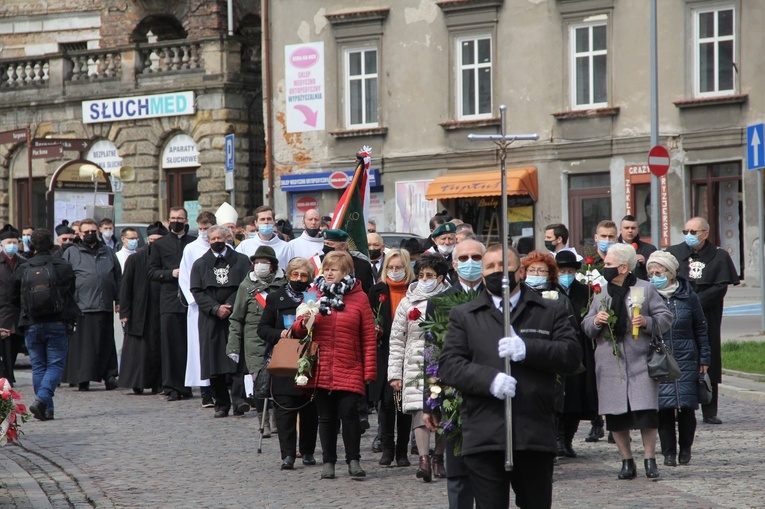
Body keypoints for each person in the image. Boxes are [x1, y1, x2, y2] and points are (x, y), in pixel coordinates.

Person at [438, 244, 582, 509]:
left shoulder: (549, 311)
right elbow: (449, 365)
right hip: (485, 432)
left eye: (504, 265)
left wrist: (529, 349)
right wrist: (488, 380)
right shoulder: (465, 316)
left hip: (533, 431)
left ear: (520, 271)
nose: (497, 271)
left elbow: (572, 355)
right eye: (490, 266)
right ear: (482, 274)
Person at [582, 243, 672, 480]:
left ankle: (650, 459)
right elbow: (586, 324)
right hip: (610, 364)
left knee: (646, 414)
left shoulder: (645, 289)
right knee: (616, 417)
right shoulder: (600, 291)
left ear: (623, 267)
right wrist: (596, 321)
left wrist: (647, 322)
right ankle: (626, 461)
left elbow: (665, 318)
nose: (605, 268)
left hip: (641, 361)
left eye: (609, 264)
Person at [291, 251, 376, 480]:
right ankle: (329, 462)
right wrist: (307, 319)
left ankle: (354, 460)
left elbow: (368, 336)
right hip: (320, 365)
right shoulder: (313, 293)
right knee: (326, 417)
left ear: (346, 272)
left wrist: (369, 370)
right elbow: (297, 331)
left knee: (349, 414)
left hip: (349, 365)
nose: (328, 273)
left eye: (334, 269)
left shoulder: (359, 298)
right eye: (326, 268)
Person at [424, 240, 485, 508]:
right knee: (458, 468)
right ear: (454, 263)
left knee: (489, 470)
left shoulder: (497, 297)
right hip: (453, 393)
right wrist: (431, 398)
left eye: (476, 257)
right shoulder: (439, 301)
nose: (470, 262)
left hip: (490, 391)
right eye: (464, 258)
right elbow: (431, 353)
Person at [666, 216, 739, 425]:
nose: (688, 235)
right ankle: (677, 404)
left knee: (709, 357)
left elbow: (720, 287)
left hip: (707, 314)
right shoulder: (673, 253)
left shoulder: (719, 256)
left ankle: (710, 409)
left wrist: (695, 303)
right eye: (686, 231)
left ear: (705, 234)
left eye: (693, 232)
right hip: (678, 313)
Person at [388, 254, 451, 483]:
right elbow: (397, 339)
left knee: (443, 410)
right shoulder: (408, 301)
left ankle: (439, 457)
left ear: (441, 277)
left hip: (441, 361)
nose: (425, 279)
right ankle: (423, 459)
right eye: (422, 275)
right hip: (414, 363)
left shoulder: (450, 299)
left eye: (430, 275)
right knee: (418, 410)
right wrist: (395, 373)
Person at [646, 251, 711, 467]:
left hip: (686, 357)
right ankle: (668, 453)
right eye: (651, 272)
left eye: (659, 272)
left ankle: (685, 449)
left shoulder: (688, 295)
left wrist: (704, 357)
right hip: (659, 357)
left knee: (686, 406)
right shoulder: (647, 295)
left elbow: (700, 328)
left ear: (671, 273)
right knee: (663, 407)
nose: (655, 276)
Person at [256, 257, 320, 469]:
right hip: (285, 356)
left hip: (310, 357)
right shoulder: (276, 298)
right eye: (295, 274)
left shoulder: (316, 298)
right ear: (288, 275)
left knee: (309, 408)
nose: (299, 278)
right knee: (285, 408)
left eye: (304, 275)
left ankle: (308, 451)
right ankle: (288, 455)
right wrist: (279, 333)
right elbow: (262, 328)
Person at [14, 228, 79, 420]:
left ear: (31, 245)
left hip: (31, 322)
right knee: (55, 365)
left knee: (39, 366)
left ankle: (45, 408)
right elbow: (71, 291)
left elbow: (13, 296)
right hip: (57, 321)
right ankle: (42, 401)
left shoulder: (23, 268)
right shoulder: (63, 266)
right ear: (52, 244)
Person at [190, 225, 250, 418]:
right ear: (208, 241)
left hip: (235, 315)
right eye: (213, 239)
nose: (217, 241)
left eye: (220, 238)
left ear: (227, 238)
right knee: (214, 361)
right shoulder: (200, 264)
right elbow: (197, 290)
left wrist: (230, 305)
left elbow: (245, 286)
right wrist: (216, 308)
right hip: (211, 319)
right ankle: (221, 404)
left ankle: (239, 400)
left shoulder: (241, 261)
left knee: (237, 358)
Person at [226, 245, 285, 427]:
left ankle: (276, 418)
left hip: (278, 339)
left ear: (273, 265)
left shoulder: (283, 284)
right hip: (254, 341)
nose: (260, 265)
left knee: (278, 380)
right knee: (260, 381)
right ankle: (263, 420)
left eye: (265, 262)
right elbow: (236, 318)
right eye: (257, 262)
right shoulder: (246, 286)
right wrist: (233, 346)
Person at [62, 218, 122, 391]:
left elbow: (117, 276)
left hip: (104, 304)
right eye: (86, 232)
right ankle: (83, 377)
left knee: (106, 343)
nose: (90, 234)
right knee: (85, 346)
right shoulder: (72, 252)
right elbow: (65, 278)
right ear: (79, 234)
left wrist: (119, 300)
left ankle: (110, 376)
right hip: (82, 306)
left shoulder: (107, 252)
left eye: (92, 232)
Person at [368, 248, 415, 468]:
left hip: (409, 350)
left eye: (399, 267)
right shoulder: (377, 290)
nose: (395, 271)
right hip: (384, 350)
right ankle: (387, 448)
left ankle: (402, 451)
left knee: (404, 404)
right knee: (386, 403)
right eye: (391, 267)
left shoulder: (413, 291)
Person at [148, 206, 197, 403]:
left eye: (180, 218)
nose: (176, 221)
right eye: (173, 218)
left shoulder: (193, 243)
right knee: (170, 346)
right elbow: (151, 272)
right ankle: (171, 387)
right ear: (168, 221)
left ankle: (189, 385)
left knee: (189, 345)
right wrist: (170, 274)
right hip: (169, 300)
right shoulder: (160, 245)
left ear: (186, 221)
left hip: (191, 301)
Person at [555, 250, 599, 456]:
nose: (566, 274)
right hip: (558, 348)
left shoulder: (586, 291)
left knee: (577, 396)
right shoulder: (550, 290)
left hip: (581, 348)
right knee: (559, 396)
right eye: (562, 270)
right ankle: (557, 439)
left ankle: (568, 439)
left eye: (569, 271)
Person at [118, 221, 168, 395]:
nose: (155, 243)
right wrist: (125, 311)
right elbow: (126, 287)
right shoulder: (135, 258)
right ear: (148, 240)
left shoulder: (168, 258)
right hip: (141, 311)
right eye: (152, 240)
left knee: (160, 348)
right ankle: (138, 382)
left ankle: (159, 383)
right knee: (139, 351)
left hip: (161, 309)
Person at [179, 211, 218, 402]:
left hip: (219, 305)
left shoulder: (222, 247)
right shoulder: (190, 248)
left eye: (206, 229)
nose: (203, 232)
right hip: (198, 306)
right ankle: (205, 390)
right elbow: (185, 277)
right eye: (200, 229)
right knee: (199, 347)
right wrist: (195, 300)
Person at [0, 225, 26, 384]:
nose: (12, 245)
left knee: (15, 344)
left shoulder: (23, 262)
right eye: (9, 242)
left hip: (18, 311)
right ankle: (6, 376)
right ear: (2, 244)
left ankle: (9, 374)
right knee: (4, 346)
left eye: (15, 242)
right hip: (2, 310)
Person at [321, 229, 375, 294]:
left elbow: (368, 292)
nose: (326, 247)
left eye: (329, 244)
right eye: (324, 243)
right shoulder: (319, 261)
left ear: (343, 246)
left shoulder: (362, 266)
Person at [618, 215, 656, 281]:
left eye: (633, 228)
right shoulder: (613, 249)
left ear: (637, 230)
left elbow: (659, 269)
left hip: (641, 287)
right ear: (620, 230)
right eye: (627, 228)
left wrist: (645, 261)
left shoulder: (650, 249)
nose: (630, 230)